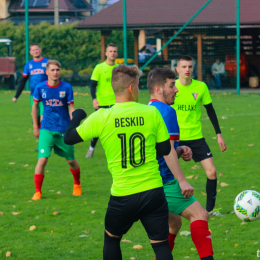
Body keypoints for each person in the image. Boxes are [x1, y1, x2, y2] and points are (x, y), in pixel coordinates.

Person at [64, 64, 173, 260]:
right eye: (138, 85)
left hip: (123, 194)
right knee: (161, 245)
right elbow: (165, 149)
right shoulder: (151, 113)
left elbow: (69, 137)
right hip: (153, 191)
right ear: (131, 88)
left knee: (112, 239)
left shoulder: (102, 117)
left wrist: (77, 115)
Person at [148, 67, 214, 260]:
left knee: (174, 224)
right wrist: (182, 181)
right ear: (159, 89)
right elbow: (167, 151)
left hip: (147, 182)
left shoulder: (148, 109)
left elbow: (159, 150)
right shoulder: (167, 111)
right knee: (201, 215)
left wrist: (179, 149)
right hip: (164, 182)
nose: (176, 89)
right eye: (171, 85)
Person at [173, 55, 227, 215]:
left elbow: (210, 110)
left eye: (190, 66)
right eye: (183, 67)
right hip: (176, 138)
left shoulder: (201, 87)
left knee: (212, 172)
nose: (187, 69)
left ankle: (209, 210)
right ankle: (166, 208)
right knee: (166, 174)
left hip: (196, 137)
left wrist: (219, 134)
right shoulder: (171, 87)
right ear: (177, 69)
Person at [31, 60, 81, 201]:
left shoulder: (66, 87)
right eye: (52, 70)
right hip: (46, 129)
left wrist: (74, 125)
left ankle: (77, 183)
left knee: (71, 161)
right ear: (46, 72)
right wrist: (36, 126)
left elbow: (71, 107)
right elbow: (34, 107)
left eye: (57, 70)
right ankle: (37, 191)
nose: (55, 72)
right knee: (42, 160)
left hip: (64, 130)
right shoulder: (40, 88)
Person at [86, 43, 119, 158]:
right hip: (102, 103)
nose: (112, 53)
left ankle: (115, 151)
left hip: (116, 103)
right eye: (110, 51)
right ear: (106, 53)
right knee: (98, 127)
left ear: (117, 53)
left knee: (116, 127)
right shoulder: (99, 67)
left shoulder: (119, 68)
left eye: (114, 51)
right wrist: (94, 99)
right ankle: (91, 148)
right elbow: (92, 86)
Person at [13, 43, 48, 124]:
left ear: (40, 50)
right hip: (34, 95)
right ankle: (39, 134)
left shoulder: (47, 62)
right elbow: (23, 80)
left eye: (37, 49)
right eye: (33, 50)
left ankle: (44, 135)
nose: (35, 51)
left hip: (46, 94)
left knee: (44, 119)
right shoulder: (28, 65)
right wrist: (16, 96)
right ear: (30, 52)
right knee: (35, 120)